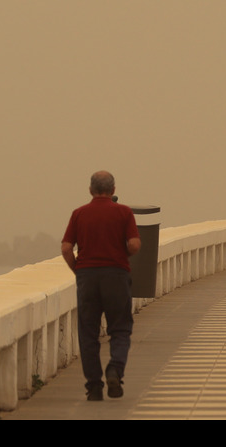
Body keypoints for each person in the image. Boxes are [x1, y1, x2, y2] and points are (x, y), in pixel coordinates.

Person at [61, 171, 141, 401]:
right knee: (120, 328)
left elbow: (66, 248)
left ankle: (94, 387)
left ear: (90, 190)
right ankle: (115, 369)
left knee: (88, 333)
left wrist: (78, 270)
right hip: (116, 275)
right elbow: (134, 245)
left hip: (87, 277)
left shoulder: (79, 214)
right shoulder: (123, 212)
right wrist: (121, 255)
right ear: (113, 190)